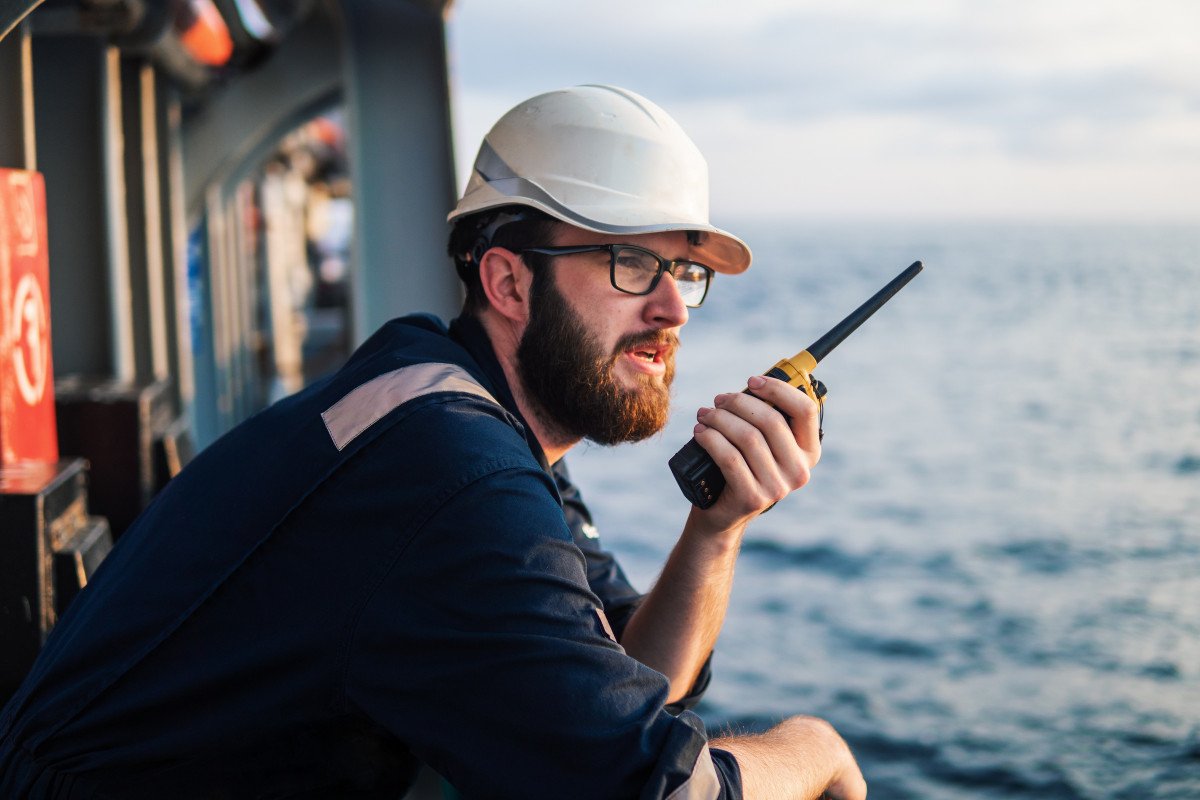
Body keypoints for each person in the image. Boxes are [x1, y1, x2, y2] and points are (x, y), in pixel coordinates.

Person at [0, 85, 865, 799]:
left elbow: (629, 674)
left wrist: (715, 531)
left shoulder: (456, 405)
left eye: (683, 271)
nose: (673, 308)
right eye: (630, 263)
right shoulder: (449, 471)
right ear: (507, 280)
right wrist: (814, 748)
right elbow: (642, 789)